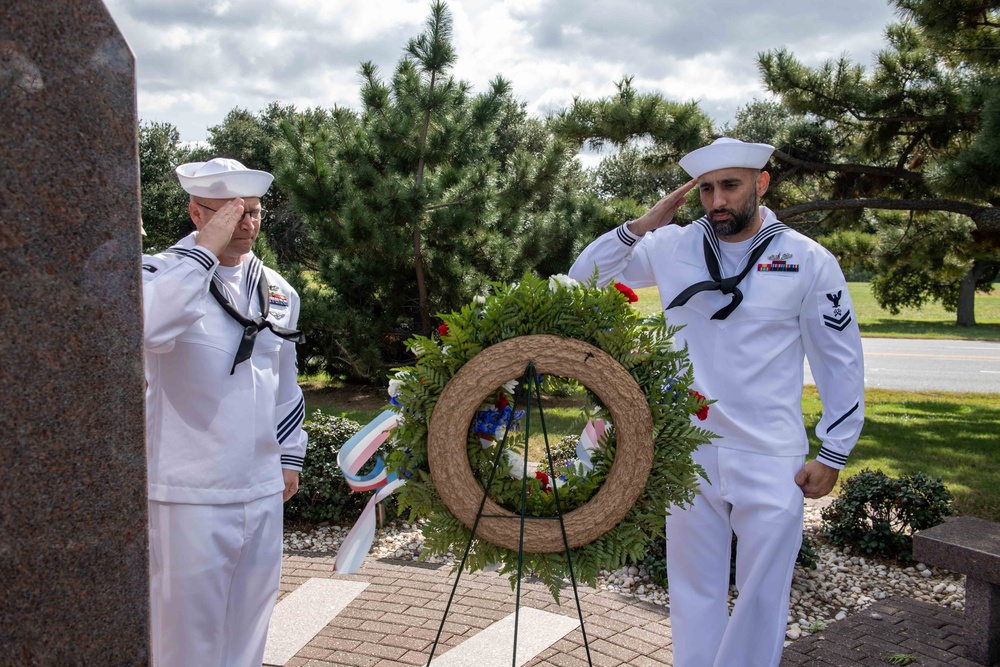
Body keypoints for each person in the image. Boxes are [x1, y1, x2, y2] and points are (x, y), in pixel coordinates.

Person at [568, 137, 864, 667]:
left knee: (761, 595)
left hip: (770, 452)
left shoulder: (806, 259)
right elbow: (582, 280)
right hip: (690, 452)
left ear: (761, 184)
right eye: (706, 189)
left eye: (730, 185)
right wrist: (641, 226)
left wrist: (835, 449)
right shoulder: (672, 246)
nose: (717, 200)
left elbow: (838, 359)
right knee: (692, 590)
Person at [142, 158, 308, 667]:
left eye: (254, 211)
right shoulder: (159, 273)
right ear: (196, 212)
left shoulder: (278, 289)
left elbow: (284, 380)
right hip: (188, 491)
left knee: (247, 634)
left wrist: (290, 458)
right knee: (185, 639)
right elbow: (148, 327)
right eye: (230, 212)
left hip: (260, 487)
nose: (246, 223)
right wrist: (204, 255)